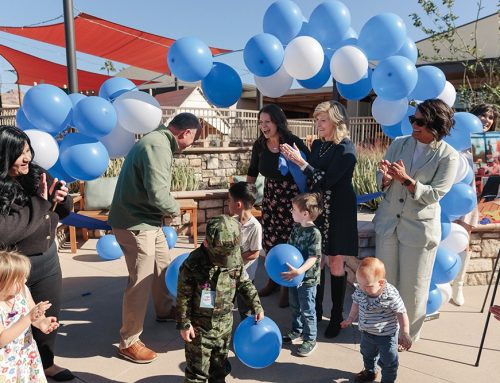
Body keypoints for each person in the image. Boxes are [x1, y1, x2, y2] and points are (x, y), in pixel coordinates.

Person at [108, 112, 201, 363]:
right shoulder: (158, 146)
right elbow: (158, 194)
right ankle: (128, 341)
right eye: (191, 141)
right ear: (186, 133)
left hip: (147, 220)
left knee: (162, 264)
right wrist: (175, 210)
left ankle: (163, 309)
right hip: (136, 223)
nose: (187, 147)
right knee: (141, 279)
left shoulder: (158, 141)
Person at [373, 99, 459, 341]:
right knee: (384, 283)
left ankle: (406, 336)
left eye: (420, 122)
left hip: (418, 230)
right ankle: (382, 330)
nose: (414, 125)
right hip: (389, 224)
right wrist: (387, 178)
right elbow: (381, 177)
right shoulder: (399, 144)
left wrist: (406, 180)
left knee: (413, 288)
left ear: (436, 125)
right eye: (413, 119)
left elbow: (434, 194)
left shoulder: (448, 157)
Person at [0, 125, 74, 381]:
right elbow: (6, 230)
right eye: (19, 153)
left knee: (46, 315)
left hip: (46, 262)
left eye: (28, 150)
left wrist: (61, 198)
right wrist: (41, 203)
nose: (27, 157)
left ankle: (46, 363)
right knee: (12, 323)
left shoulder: (35, 174)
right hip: (11, 270)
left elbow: (58, 211)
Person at [281, 100, 358, 338]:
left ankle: (335, 317)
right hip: (320, 208)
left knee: (335, 262)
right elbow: (314, 179)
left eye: (322, 120)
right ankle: (314, 313)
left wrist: (300, 162)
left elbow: (325, 180)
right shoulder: (319, 146)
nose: (318, 124)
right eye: (317, 120)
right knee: (317, 261)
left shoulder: (346, 149)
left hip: (340, 211)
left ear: (336, 122)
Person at [176, 215, 264, 383]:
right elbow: (183, 296)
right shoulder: (192, 264)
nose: (225, 261)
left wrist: (256, 304)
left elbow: (244, 282)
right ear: (206, 243)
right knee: (197, 374)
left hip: (224, 326)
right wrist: (184, 323)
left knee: (220, 370)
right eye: (220, 256)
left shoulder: (234, 255)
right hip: (199, 329)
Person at [247, 104, 310, 308]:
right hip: (271, 196)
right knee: (271, 239)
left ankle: (287, 287)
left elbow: (308, 167)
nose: (263, 126)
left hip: (291, 198)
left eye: (267, 122)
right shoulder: (260, 145)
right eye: (260, 122)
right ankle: (274, 280)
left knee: (288, 239)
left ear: (277, 122)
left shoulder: (292, 142)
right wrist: (248, 197)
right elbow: (252, 171)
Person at [452, 103, 499, 305]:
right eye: (482, 115)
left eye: (490, 117)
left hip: (471, 198)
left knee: (463, 240)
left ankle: (458, 286)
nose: (486, 120)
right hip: (448, 197)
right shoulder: (456, 139)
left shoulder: (490, 145)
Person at [341, 257, 411, 383]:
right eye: (359, 283)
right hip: (367, 332)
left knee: (389, 361)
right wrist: (351, 318)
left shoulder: (390, 295)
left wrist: (405, 332)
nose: (362, 288)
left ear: (381, 283)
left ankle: (387, 380)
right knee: (367, 354)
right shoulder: (361, 290)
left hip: (386, 336)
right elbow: (356, 303)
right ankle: (370, 371)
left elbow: (401, 312)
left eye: (367, 286)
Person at [0, 250, 60, 382]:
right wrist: (28, 318)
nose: (25, 280)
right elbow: (2, 339)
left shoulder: (22, 290)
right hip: (4, 363)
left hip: (25, 354)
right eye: (19, 279)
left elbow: (32, 310)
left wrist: (42, 322)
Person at [281, 193, 322, 357]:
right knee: (295, 305)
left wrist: (299, 271)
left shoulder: (314, 233)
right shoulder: (296, 228)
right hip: (294, 277)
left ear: (305, 214)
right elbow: (289, 250)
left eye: (294, 209)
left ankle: (311, 338)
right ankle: (296, 330)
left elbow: (313, 257)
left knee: (308, 309)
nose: (291, 212)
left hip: (307, 279)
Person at [228, 181, 263, 321]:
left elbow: (255, 252)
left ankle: (246, 333)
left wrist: (235, 259)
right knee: (226, 304)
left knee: (245, 308)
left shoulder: (255, 227)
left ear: (238, 205)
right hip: (230, 274)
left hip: (245, 276)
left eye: (229, 200)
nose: (227, 203)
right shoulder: (231, 221)